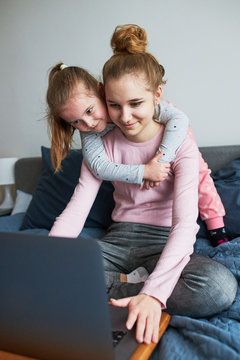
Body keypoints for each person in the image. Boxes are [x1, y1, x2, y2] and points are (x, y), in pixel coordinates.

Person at [49, 24, 237, 344]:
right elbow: (77, 208)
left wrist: (154, 295)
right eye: (114, 105)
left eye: (135, 103)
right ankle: (129, 287)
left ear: (156, 97)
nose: (125, 117)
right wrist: (47, 255)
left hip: (164, 240)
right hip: (119, 237)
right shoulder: (100, 144)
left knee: (219, 288)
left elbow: (184, 224)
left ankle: (122, 290)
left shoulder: (180, 143)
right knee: (47, 268)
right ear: (104, 98)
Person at [47, 63, 228, 247]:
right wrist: (143, 172)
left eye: (89, 111)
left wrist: (160, 160)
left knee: (198, 170)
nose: (88, 123)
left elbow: (180, 119)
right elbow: (99, 169)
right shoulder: (90, 134)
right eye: (76, 121)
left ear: (100, 91)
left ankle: (217, 228)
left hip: (172, 155)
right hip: (127, 225)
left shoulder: (153, 112)